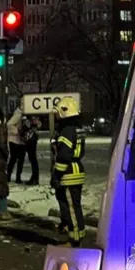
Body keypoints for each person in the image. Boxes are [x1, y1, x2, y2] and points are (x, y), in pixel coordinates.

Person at [50, 97, 86, 247]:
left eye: (59, 112)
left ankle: (75, 239)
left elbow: (64, 156)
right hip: (77, 169)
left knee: (71, 206)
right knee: (74, 205)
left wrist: (56, 176)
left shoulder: (66, 131)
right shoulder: (77, 128)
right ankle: (73, 231)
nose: (57, 115)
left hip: (69, 173)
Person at [19, 114, 42, 185]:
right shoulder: (32, 116)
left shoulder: (29, 117)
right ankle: (35, 178)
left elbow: (27, 127)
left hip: (30, 140)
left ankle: (35, 178)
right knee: (33, 159)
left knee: (33, 159)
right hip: (32, 139)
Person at [6, 107, 26, 183]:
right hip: (14, 140)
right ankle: (9, 176)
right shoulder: (18, 113)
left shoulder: (24, 113)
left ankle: (17, 177)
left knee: (19, 160)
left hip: (21, 140)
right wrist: (18, 131)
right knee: (13, 159)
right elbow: (9, 124)